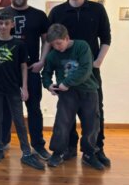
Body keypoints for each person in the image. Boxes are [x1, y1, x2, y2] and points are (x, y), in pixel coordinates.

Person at [48, 0, 111, 166]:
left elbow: (106, 38)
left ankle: (96, 149)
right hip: (65, 69)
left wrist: (98, 62)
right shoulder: (57, 12)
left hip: (90, 70)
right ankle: (69, 147)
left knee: (95, 111)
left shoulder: (97, 9)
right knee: (67, 111)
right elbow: (49, 41)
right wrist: (44, 63)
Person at [0, 0, 51, 160]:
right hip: (5, 72)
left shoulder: (39, 15)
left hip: (30, 70)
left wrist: (42, 61)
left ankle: (38, 145)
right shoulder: (0, 14)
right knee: (4, 110)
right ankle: (2, 142)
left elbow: (46, 40)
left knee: (34, 108)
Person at [0, 11, 44, 170]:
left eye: (6, 23)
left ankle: (26, 153)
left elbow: (23, 67)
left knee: (19, 121)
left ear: (12, 25)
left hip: (14, 88)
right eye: (0, 23)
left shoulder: (19, 44)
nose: (3, 26)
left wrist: (25, 88)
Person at [41, 24, 104, 170]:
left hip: (88, 91)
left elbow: (85, 69)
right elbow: (46, 73)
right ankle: (58, 153)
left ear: (67, 38)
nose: (56, 47)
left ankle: (89, 154)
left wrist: (67, 83)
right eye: (53, 45)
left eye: (59, 43)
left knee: (91, 124)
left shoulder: (82, 46)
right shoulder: (53, 55)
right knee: (62, 124)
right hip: (67, 94)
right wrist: (48, 85)